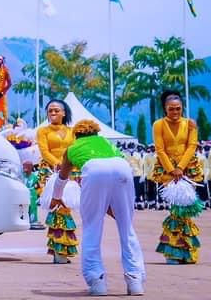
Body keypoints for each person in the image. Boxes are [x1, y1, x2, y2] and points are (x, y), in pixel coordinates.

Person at [49, 119, 146, 296]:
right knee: (127, 227)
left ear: (76, 135)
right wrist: (116, 210)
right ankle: (135, 280)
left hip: (93, 171)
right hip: (122, 168)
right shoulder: (107, 143)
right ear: (96, 133)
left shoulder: (71, 149)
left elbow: (62, 178)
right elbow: (113, 176)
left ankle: (97, 281)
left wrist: (56, 198)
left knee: (92, 227)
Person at [151, 91, 205, 264]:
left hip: (188, 168)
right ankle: (175, 251)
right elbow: (160, 149)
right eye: (171, 109)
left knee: (186, 208)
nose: (175, 112)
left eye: (178, 109)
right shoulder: (158, 124)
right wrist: (171, 169)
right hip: (167, 170)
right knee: (176, 209)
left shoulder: (190, 124)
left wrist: (181, 167)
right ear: (165, 109)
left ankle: (186, 251)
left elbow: (192, 145)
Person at [37, 98, 78, 264]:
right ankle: (60, 251)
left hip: (71, 172)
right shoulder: (43, 131)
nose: (53, 113)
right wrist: (58, 165)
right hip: (50, 172)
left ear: (64, 113)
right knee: (57, 208)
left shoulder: (73, 131)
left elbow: (75, 149)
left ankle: (60, 249)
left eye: (56, 110)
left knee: (66, 208)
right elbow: (44, 151)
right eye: (50, 111)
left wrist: (69, 167)